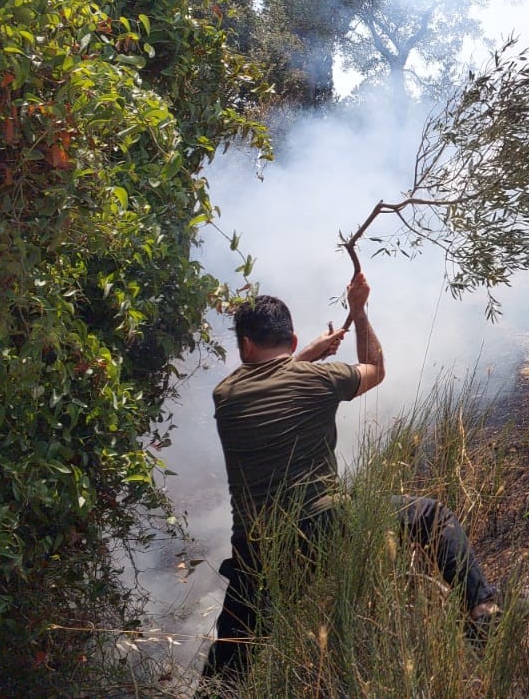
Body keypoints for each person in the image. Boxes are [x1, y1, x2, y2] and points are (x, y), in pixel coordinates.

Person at [201, 275, 499, 680]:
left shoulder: (226, 394)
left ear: (246, 345)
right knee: (430, 516)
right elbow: (374, 368)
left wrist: (308, 352)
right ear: (290, 342)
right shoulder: (320, 381)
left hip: (257, 553)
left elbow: (271, 376)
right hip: (325, 527)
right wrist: (358, 311)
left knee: (230, 666)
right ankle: (482, 609)